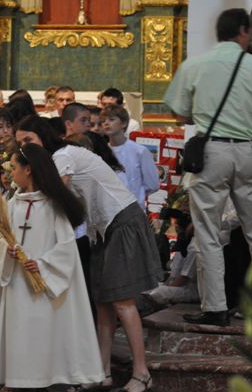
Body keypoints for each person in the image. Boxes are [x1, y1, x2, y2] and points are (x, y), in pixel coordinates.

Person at [163, 8, 252, 327]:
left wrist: (204, 112)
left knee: (208, 233)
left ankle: (216, 307)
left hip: (211, 153)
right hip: (248, 152)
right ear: (244, 31)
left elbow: (179, 114)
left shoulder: (195, 66)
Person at [15, 116, 161, 392]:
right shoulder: (58, 159)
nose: (25, 149)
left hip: (121, 221)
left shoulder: (63, 155)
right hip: (101, 229)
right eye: (20, 143)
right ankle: (100, 372)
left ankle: (142, 373)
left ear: (44, 137)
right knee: (103, 302)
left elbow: (55, 198)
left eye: (29, 140)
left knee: (122, 302)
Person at [0, 143, 104, 389]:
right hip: (18, 284)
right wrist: (7, 250)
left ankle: (49, 379)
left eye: (14, 167)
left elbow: (67, 247)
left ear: (28, 169)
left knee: (46, 338)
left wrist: (41, 264)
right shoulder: (12, 204)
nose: (11, 173)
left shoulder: (53, 206)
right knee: (21, 336)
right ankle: (21, 380)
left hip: (45, 285)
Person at [101, 105, 160, 208]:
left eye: (111, 119)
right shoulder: (102, 151)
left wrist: (137, 194)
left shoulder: (139, 151)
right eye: (103, 121)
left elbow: (153, 184)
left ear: (123, 123)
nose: (106, 123)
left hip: (133, 208)